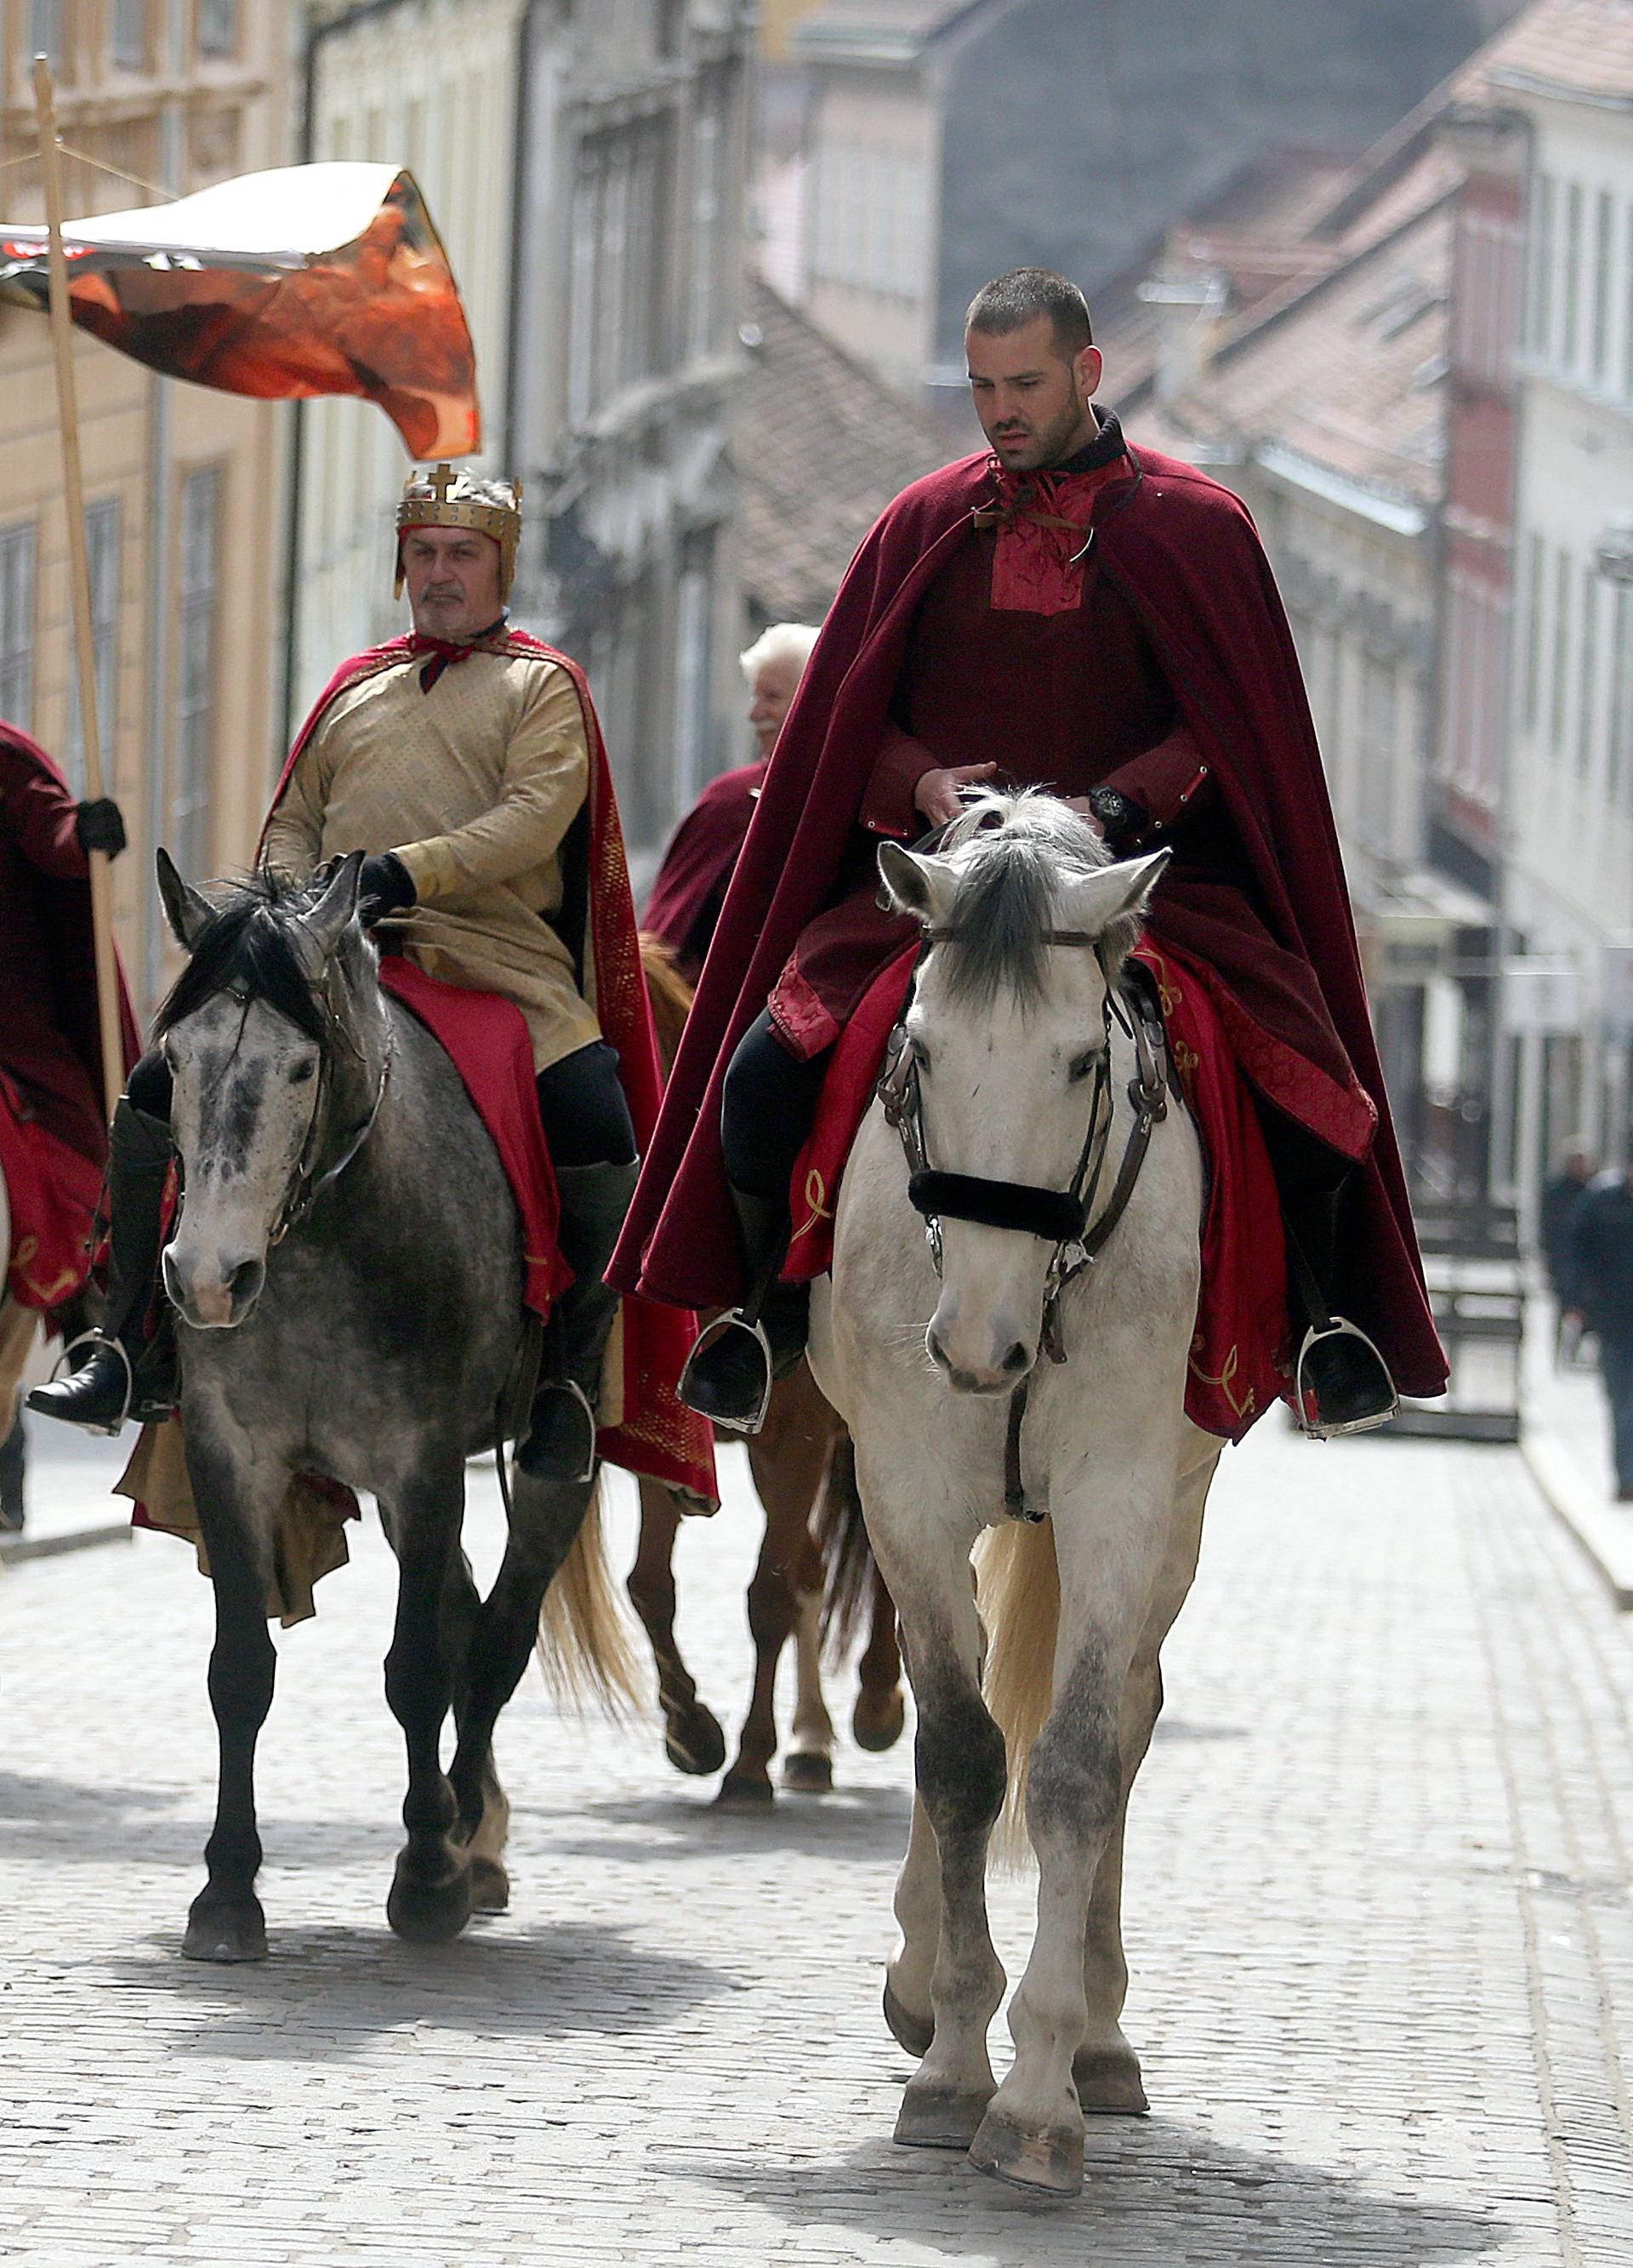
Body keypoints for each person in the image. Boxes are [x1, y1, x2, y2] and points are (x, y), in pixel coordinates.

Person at [609, 266, 1445, 1436]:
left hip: (1138, 889)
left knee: (1311, 1084)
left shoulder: (1197, 529)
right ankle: (759, 1313)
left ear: (1088, 373)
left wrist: (1118, 806)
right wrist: (921, 783)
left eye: (1026, 382)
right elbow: (847, 717)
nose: (1002, 408)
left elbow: (1229, 725)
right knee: (763, 1071)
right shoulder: (923, 520)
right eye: (983, 384)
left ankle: (1323, 1318)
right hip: (943, 889)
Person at [31, 464, 646, 1487]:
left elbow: (531, 819)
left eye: (462, 555)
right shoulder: (357, 685)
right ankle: (129, 1340)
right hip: (326, 958)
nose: (440, 575)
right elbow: (294, 818)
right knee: (157, 1087)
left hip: (495, 960)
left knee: (597, 1119)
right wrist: (283, 907)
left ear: (501, 566)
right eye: (424, 555)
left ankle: (568, 1383)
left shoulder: (544, 688)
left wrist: (407, 870)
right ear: (401, 564)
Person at [2, 715, 138, 1496]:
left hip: (8, 1034)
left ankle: (91, 1323)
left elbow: (46, 825)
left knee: (68, 1160)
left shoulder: (3, 759)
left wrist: (81, 833)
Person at [644, 622, 819, 982]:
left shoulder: (858, 798)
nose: (755, 714)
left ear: (812, 699)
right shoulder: (729, 800)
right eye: (756, 697)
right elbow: (669, 933)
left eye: (772, 697)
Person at [1568, 1141, 1633, 1501]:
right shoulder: (1601, 1203)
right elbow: (1575, 1252)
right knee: (1623, 1400)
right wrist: (1575, 1299)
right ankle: (1627, 1477)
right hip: (1616, 1321)